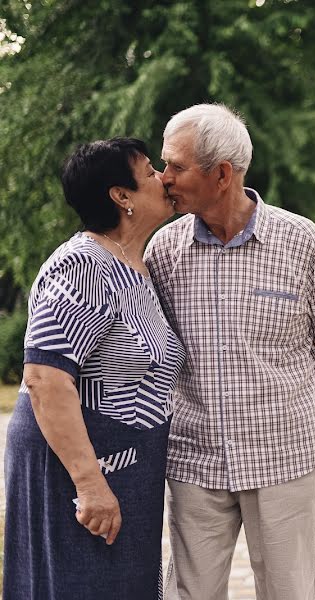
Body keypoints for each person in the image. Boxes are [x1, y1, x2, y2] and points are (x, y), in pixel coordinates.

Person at [144, 104, 315, 600]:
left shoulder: (304, 243)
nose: (163, 177)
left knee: (290, 592)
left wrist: (295, 404)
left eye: (176, 165)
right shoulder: (162, 251)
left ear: (221, 174)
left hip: (285, 457)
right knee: (188, 594)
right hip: (195, 460)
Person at [4, 138, 185, 599]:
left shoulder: (136, 266)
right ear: (120, 196)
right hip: (78, 469)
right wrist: (89, 484)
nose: (163, 177)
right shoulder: (82, 265)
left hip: (128, 468)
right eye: (148, 172)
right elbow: (44, 377)